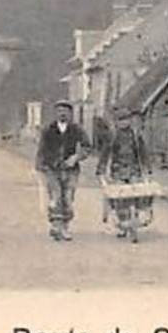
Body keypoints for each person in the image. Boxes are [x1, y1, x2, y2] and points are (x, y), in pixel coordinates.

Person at [36, 101, 90, 241]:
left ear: (71, 114)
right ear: (55, 113)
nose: (62, 113)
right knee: (55, 197)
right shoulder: (48, 129)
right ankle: (55, 225)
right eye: (59, 111)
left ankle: (65, 227)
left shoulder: (77, 129)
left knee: (68, 197)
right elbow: (42, 149)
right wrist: (40, 166)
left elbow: (87, 147)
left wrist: (76, 157)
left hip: (71, 170)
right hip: (52, 169)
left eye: (65, 111)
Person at [97, 107, 152, 238]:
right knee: (120, 197)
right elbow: (105, 154)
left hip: (134, 169)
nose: (124, 123)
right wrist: (101, 169)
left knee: (135, 193)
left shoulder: (135, 135)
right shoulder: (113, 136)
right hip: (118, 169)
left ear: (130, 121)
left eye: (126, 120)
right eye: (121, 120)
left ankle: (134, 218)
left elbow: (143, 153)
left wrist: (147, 168)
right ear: (116, 122)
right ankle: (123, 223)